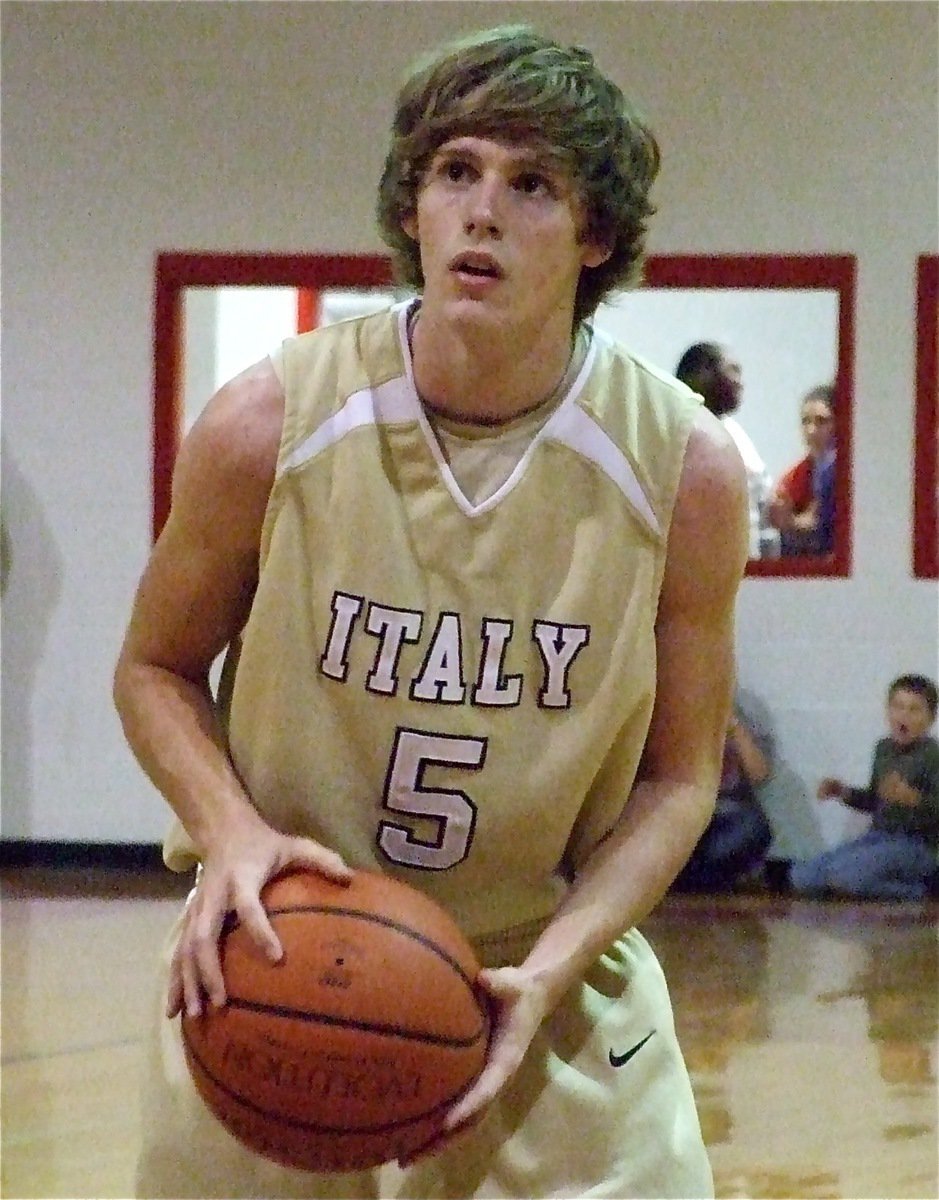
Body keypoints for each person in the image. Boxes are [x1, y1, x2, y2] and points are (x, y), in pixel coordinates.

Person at [113, 25, 748, 1200]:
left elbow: (679, 780)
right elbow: (152, 669)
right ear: (412, 206)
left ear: (595, 234)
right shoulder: (269, 421)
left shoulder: (685, 470)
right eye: (455, 171)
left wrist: (553, 970)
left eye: (533, 183)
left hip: (545, 964)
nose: (484, 212)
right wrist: (235, 838)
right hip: (273, 954)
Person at [790, 674, 939, 901]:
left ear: (930, 718)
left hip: (917, 845)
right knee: (802, 876)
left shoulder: (933, 756)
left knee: (844, 876)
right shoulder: (884, 749)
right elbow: (874, 801)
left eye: (914, 710)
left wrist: (912, 799)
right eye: (897, 707)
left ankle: (917, 892)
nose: (903, 716)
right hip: (878, 837)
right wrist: (842, 792)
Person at [675, 342, 778, 559]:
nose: (741, 382)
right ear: (703, 374)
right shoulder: (679, 435)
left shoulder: (735, 433)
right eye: (733, 370)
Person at [671, 694, 774, 892]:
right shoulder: (671, 707)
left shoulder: (747, 713)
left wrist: (733, 726)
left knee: (754, 828)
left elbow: (759, 775)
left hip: (729, 814)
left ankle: (687, 880)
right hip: (683, 811)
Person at [767, 384, 836, 556]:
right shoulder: (796, 474)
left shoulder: (842, 470)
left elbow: (821, 522)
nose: (811, 431)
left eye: (822, 421)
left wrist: (790, 522)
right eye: (805, 421)